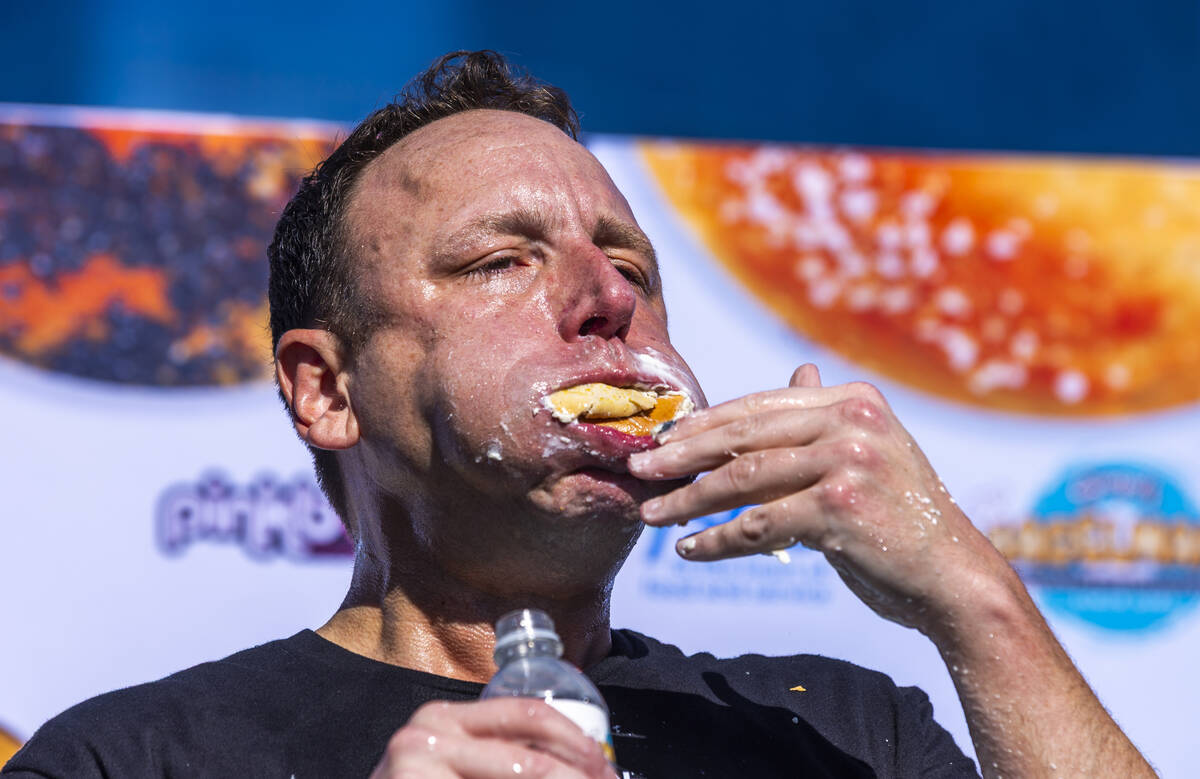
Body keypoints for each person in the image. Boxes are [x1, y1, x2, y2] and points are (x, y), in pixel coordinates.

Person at [4, 51, 1154, 779]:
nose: (607, 299)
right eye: (501, 259)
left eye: (631, 265)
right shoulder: (126, 757)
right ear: (327, 389)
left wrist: (977, 599)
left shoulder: (846, 732)